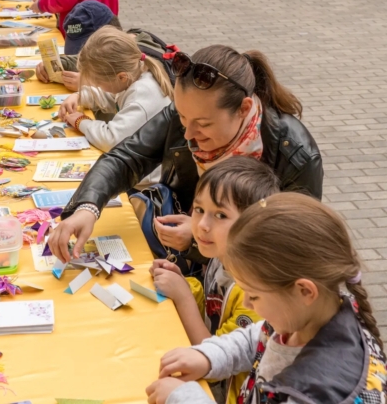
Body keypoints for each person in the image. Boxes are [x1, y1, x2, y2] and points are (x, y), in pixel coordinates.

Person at [47, 45, 323, 263]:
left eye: (203, 125)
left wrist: (200, 235)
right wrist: (87, 207)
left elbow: (291, 247)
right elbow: (125, 158)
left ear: (243, 108)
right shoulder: (190, 113)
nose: (188, 134)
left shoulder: (296, 153)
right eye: (181, 118)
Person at [146, 193, 387, 404]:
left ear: (304, 291)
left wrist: (182, 397)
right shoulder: (308, 316)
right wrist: (208, 357)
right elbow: (259, 336)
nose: (248, 304)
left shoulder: (318, 393)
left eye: (253, 295)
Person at [149, 157, 278, 404]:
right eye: (199, 210)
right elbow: (213, 308)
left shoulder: (254, 295)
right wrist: (184, 284)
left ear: (255, 224)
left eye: (220, 215)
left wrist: (183, 296)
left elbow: (215, 359)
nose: (202, 226)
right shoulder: (221, 257)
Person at [58, 27, 173, 174]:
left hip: (144, 182)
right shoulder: (136, 72)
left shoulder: (142, 94)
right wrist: (80, 96)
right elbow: (114, 97)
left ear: (121, 77)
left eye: (99, 83)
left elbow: (111, 140)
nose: (98, 86)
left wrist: (81, 121)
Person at [36, 0, 123, 91]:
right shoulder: (112, 50)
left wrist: (90, 85)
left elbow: (121, 91)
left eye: (86, 50)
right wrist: (53, 65)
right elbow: (79, 60)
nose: (81, 55)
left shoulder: (134, 57)